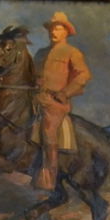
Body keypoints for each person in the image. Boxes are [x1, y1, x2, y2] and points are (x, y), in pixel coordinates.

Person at [31, 11, 90, 190]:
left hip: (56, 102)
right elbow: (32, 75)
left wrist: (65, 92)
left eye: (58, 29)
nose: (53, 32)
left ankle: (49, 176)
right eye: (51, 29)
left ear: (66, 32)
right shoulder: (41, 53)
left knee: (48, 131)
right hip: (36, 97)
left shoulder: (72, 52)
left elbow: (84, 74)